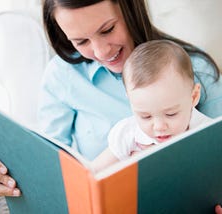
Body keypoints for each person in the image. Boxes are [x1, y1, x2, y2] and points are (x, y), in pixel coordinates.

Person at [0, 0, 222, 212]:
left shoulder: (195, 71)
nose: (101, 52)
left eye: (107, 29)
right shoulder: (63, 77)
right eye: (81, 41)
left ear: (130, 8)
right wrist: (6, 172)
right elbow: (54, 166)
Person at [91, 40, 212, 172]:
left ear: (193, 97)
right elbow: (92, 173)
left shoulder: (210, 133)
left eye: (171, 114)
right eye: (145, 116)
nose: (159, 127)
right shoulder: (128, 134)